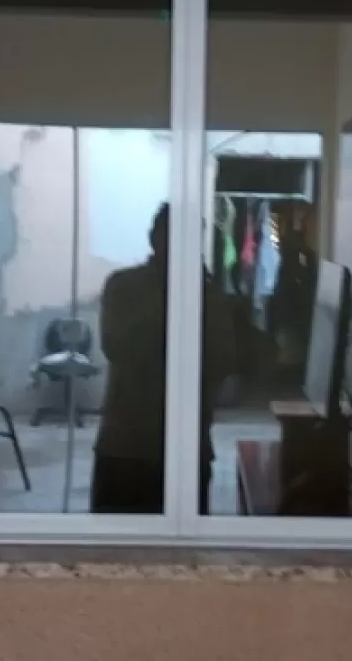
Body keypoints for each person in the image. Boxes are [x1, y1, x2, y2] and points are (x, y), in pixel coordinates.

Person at [92, 204, 236, 514]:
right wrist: (172, 289)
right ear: (153, 239)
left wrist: (210, 299)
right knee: (113, 539)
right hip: (126, 448)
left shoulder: (208, 295)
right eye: (171, 237)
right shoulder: (123, 286)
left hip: (188, 448)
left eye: (189, 238)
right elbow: (117, 346)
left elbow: (224, 360)